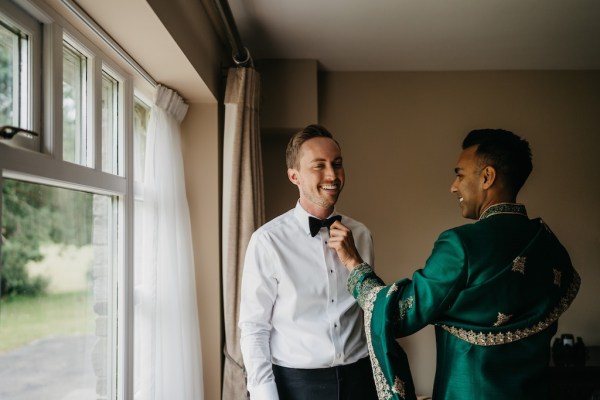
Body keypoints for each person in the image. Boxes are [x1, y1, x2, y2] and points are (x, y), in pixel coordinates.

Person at [327, 129, 581, 400]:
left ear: (487, 177)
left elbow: (398, 315)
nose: (453, 186)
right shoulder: (551, 247)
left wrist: (354, 264)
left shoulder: (461, 245)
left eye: (460, 174)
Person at [238, 124, 378, 400]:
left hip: (360, 380)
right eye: (319, 165)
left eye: (337, 164)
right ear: (294, 176)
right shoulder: (267, 241)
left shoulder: (361, 234)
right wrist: (265, 395)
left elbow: (371, 306)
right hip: (297, 385)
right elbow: (254, 327)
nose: (332, 175)